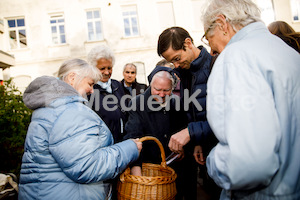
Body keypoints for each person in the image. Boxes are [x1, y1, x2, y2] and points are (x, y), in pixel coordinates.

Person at [201, 0, 300, 199]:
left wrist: (214, 164)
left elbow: (250, 163)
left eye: (207, 36)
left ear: (222, 23)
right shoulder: (286, 51)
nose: (210, 45)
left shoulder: (236, 57)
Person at [18, 58, 142, 200]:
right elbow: (87, 167)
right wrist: (129, 148)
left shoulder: (53, 107)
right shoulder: (69, 111)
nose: (91, 90)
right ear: (72, 77)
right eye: (90, 83)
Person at [157, 26, 221, 199]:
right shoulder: (185, 73)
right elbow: (195, 112)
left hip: (224, 154)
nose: (176, 65)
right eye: (172, 62)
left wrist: (190, 132)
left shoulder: (217, 66)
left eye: (177, 58)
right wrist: (198, 141)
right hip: (204, 152)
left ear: (188, 43)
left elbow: (226, 119)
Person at [124, 67, 196, 200]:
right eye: (157, 90)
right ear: (151, 85)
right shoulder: (137, 104)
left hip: (175, 170)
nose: (161, 95)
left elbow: (184, 128)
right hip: (150, 171)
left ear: (172, 88)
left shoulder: (176, 102)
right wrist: (138, 176)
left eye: (166, 90)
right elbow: (133, 137)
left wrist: (182, 148)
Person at [87, 45, 126, 143]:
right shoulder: (89, 91)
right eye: (102, 68)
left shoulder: (117, 85)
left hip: (124, 141)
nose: (107, 72)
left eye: (109, 68)